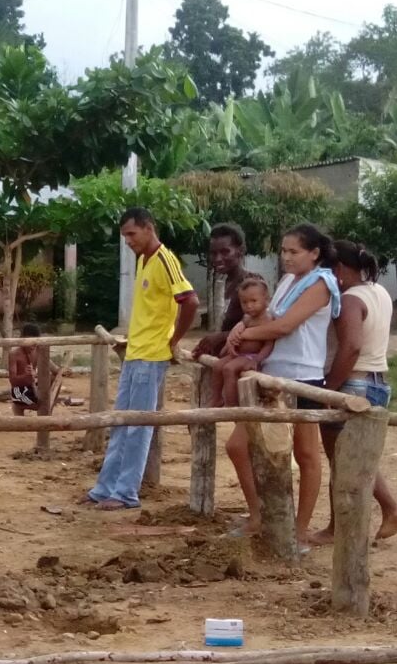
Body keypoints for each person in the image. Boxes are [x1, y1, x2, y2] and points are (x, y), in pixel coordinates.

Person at [222, 223, 341, 546]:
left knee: (306, 454)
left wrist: (244, 334)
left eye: (294, 251)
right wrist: (241, 326)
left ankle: (299, 530)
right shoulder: (289, 280)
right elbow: (268, 318)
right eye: (284, 251)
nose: (286, 257)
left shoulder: (322, 283)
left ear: (314, 253)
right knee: (238, 445)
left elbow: (285, 326)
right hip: (273, 372)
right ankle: (259, 515)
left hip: (303, 375)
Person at [83, 207, 200, 511]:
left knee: (138, 425)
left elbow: (190, 301)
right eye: (125, 236)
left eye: (132, 234)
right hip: (136, 352)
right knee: (121, 422)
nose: (128, 241)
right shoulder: (143, 260)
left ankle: (126, 492)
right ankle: (105, 487)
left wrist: (173, 341)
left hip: (152, 355)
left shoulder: (164, 259)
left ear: (149, 228)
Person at [311, 240, 397, 545]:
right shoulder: (379, 292)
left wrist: (329, 389)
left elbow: (351, 347)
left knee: (342, 460)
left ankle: (342, 526)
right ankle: (384, 510)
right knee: (358, 456)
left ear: (338, 268)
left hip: (352, 383)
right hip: (377, 382)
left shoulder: (350, 300)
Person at [191, 223, 261, 360]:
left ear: (240, 251)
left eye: (225, 252)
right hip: (222, 359)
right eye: (213, 253)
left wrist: (219, 337)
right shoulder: (222, 283)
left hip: (242, 360)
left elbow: (260, 327)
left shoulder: (251, 283)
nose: (217, 258)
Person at [211, 278, 274, 407]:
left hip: (251, 356)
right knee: (218, 366)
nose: (249, 306)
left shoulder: (267, 320)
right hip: (238, 354)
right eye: (244, 302)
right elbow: (235, 334)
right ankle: (216, 398)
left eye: (254, 301)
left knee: (229, 369)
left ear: (266, 300)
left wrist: (256, 360)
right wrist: (227, 347)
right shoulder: (247, 318)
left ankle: (232, 405)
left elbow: (269, 345)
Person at [8, 322, 42, 416]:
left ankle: (21, 407)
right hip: (19, 389)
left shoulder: (38, 350)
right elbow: (13, 381)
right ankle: (18, 406)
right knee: (40, 404)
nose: (33, 346)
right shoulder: (14, 354)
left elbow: (52, 367)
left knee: (53, 380)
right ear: (22, 339)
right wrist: (26, 376)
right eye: (30, 343)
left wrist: (62, 371)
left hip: (32, 386)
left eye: (35, 343)